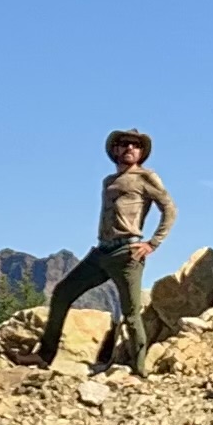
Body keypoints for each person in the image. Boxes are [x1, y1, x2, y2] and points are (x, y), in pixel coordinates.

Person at [36, 129, 173, 374]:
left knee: (131, 314)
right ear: (115, 149)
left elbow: (170, 209)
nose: (130, 148)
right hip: (101, 252)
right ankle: (44, 356)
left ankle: (139, 371)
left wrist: (153, 243)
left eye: (136, 145)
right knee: (63, 292)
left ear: (141, 152)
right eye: (125, 143)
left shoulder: (147, 177)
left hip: (128, 252)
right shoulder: (108, 181)